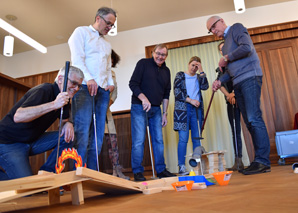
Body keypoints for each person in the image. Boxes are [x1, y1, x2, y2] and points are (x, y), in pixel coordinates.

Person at [206, 16, 271, 175]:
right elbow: (231, 70)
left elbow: (247, 47)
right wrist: (220, 81)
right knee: (249, 123)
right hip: (238, 82)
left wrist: (226, 58)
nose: (213, 32)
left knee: (254, 118)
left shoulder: (236, 28)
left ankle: (263, 161)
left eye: (214, 27)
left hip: (250, 77)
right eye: (210, 31)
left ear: (221, 21)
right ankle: (258, 161)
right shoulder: (226, 44)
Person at [0, 66, 84, 180]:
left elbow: (64, 122)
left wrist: (69, 123)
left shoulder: (64, 99)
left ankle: (46, 175)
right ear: (60, 79)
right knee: (27, 190)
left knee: (69, 137)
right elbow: (18, 116)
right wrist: (54, 104)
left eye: (79, 85)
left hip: (32, 141)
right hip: (9, 143)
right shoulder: (44, 90)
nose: (76, 88)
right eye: (74, 83)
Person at [68, 7, 116, 170]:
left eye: (112, 25)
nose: (110, 28)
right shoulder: (80, 32)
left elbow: (108, 68)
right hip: (83, 88)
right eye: (108, 23)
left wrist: (110, 84)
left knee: (98, 136)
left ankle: (93, 174)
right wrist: (90, 79)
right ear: (98, 18)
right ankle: (78, 174)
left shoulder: (107, 44)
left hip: (102, 92)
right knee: (81, 132)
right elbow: (77, 60)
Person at [129, 44, 176, 181]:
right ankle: (137, 171)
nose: (160, 57)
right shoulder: (143, 64)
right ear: (152, 52)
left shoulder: (166, 71)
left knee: (158, 141)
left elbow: (167, 93)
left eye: (163, 55)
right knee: (138, 140)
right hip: (139, 107)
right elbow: (133, 84)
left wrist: (165, 113)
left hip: (156, 109)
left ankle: (161, 170)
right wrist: (144, 99)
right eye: (158, 53)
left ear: (166, 56)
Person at [173, 56, 209, 175]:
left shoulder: (199, 77)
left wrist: (202, 70)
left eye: (197, 66)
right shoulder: (180, 75)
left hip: (196, 110)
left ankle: (198, 166)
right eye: (193, 65)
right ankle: (182, 167)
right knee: (183, 139)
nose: (194, 68)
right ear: (189, 64)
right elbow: (177, 92)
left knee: (196, 138)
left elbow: (205, 86)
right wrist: (190, 100)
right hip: (183, 110)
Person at [216, 41, 244, 171]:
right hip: (230, 101)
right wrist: (228, 95)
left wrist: (234, 93)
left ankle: (249, 159)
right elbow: (219, 83)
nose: (223, 51)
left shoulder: (236, 63)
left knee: (245, 127)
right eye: (220, 50)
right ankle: (238, 161)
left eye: (224, 48)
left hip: (240, 99)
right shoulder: (221, 68)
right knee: (234, 130)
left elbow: (241, 78)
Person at [104, 50, 129, 180]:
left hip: (107, 113)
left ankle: (116, 170)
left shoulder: (112, 74)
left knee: (113, 143)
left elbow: (115, 93)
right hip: (94, 115)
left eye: (112, 61)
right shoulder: (95, 72)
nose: (110, 63)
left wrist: (107, 104)